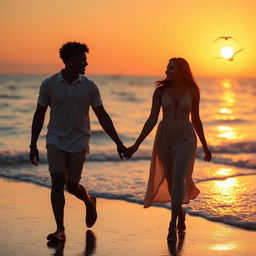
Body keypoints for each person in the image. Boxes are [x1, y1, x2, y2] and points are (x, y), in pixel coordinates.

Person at [29, 41, 127, 241]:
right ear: (69, 60)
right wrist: (33, 145)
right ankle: (60, 229)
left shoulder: (90, 86)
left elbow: (102, 116)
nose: (86, 63)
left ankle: (89, 201)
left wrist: (118, 142)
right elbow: (39, 114)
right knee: (57, 181)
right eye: (82, 59)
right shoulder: (49, 84)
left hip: (80, 140)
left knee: (72, 186)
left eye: (86, 59)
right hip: (55, 138)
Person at [125, 57, 212, 242]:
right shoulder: (160, 91)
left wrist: (205, 145)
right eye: (167, 68)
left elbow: (196, 119)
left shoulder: (193, 90)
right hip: (165, 136)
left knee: (179, 174)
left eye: (171, 68)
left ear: (181, 71)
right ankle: (180, 212)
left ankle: (172, 224)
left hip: (186, 135)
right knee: (172, 180)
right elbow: (151, 119)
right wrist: (136, 144)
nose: (167, 71)